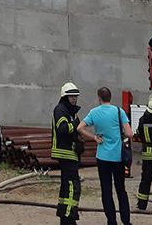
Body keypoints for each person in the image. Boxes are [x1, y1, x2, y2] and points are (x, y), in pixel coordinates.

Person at [83, 87, 134, 225]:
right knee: (121, 190)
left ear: (99, 98)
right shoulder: (119, 111)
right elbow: (129, 133)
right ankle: (126, 221)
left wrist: (94, 137)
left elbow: (80, 128)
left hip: (102, 157)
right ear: (110, 97)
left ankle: (111, 221)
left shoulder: (94, 112)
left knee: (106, 191)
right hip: (118, 157)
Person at [51, 82, 86, 225]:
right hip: (65, 152)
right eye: (71, 96)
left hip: (70, 153)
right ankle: (69, 218)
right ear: (65, 97)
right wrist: (76, 124)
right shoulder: (61, 109)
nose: (74, 99)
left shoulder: (70, 111)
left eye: (75, 96)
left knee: (67, 186)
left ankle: (65, 217)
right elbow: (63, 129)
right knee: (72, 186)